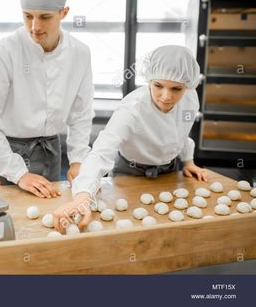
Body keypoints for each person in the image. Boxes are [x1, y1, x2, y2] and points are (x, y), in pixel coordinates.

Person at [53, 45, 208, 231]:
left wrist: (188, 161)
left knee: (167, 228)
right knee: (126, 225)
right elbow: (102, 152)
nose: (166, 96)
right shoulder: (132, 109)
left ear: (188, 85)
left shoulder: (190, 99)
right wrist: (82, 196)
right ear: (149, 80)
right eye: (158, 86)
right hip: (130, 171)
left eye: (176, 88)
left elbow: (181, 134)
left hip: (168, 170)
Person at [0, 0, 94, 199]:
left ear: (64, 13)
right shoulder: (1, 54)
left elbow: (81, 114)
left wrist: (78, 160)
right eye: (28, 16)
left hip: (51, 152)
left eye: (44, 17)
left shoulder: (80, 53)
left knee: (48, 218)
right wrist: (19, 174)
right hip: (6, 155)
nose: (35, 26)